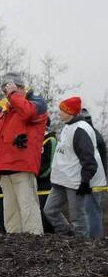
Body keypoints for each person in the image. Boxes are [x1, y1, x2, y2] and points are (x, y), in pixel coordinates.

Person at [0, 72, 48, 234]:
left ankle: (35, 244)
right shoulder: (6, 109)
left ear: (19, 88)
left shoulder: (37, 102)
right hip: (4, 169)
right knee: (11, 214)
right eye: (5, 92)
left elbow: (28, 113)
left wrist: (14, 94)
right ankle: (14, 249)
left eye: (8, 90)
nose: (6, 95)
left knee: (28, 210)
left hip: (23, 166)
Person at [44, 96, 106, 237]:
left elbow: (89, 160)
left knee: (78, 219)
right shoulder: (67, 127)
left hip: (74, 182)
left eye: (62, 110)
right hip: (60, 181)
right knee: (50, 210)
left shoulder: (80, 130)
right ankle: (67, 234)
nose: (59, 113)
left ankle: (82, 248)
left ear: (70, 112)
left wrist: (85, 181)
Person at [76, 106, 106, 239]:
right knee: (93, 210)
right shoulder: (95, 133)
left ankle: (94, 240)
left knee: (91, 210)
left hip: (92, 178)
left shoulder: (89, 135)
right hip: (97, 177)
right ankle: (95, 239)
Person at [38, 120, 57, 234]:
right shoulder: (36, 140)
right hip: (35, 182)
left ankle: (51, 234)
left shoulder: (51, 140)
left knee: (46, 212)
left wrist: (39, 175)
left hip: (46, 182)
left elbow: (51, 164)